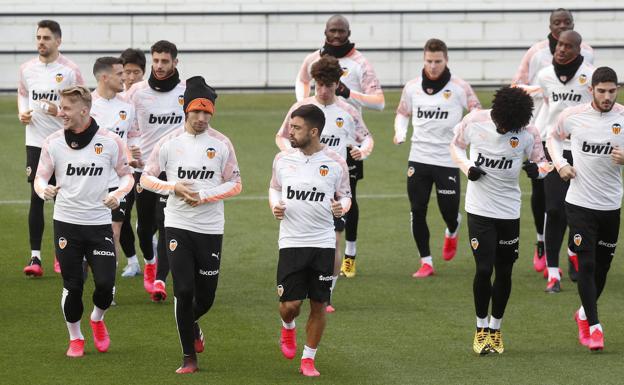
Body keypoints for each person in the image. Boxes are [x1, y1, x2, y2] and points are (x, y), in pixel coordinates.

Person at [141, 76, 242, 373]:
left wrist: (204, 195)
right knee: (183, 290)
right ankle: (188, 357)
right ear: (186, 110)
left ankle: (192, 323)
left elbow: (236, 184)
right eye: (196, 112)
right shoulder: (169, 142)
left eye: (206, 113)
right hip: (177, 225)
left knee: (205, 297)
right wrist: (174, 188)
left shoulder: (221, 144)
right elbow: (147, 178)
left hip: (210, 229)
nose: (201, 118)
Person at [33, 85, 133, 357]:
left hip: (99, 223)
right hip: (66, 224)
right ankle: (75, 338)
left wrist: (118, 194)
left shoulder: (110, 142)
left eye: (66, 108)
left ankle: (97, 319)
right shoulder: (53, 142)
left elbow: (127, 176)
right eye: (60, 107)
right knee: (73, 285)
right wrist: (45, 190)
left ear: (84, 111)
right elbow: (40, 177)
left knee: (104, 285)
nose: (61, 112)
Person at [450, 87, 548, 355]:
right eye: (502, 125)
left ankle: (496, 329)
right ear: (496, 114)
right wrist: (468, 167)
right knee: (484, 269)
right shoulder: (474, 122)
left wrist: (535, 171)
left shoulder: (529, 133)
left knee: (505, 271)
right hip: (479, 209)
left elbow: (543, 164)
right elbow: (455, 146)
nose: (505, 130)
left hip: (509, 212)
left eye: (510, 127)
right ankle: (481, 328)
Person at [277, 56, 372, 311]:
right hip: (301, 187)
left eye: (329, 84)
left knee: (335, 241)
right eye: (319, 84)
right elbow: (281, 136)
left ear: (337, 83)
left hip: (332, 189)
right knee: (300, 241)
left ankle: (326, 294)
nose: (324, 89)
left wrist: (361, 152)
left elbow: (367, 138)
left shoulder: (348, 111)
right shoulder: (302, 108)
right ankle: (298, 287)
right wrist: (290, 155)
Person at [295, 14, 384, 277]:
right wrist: (305, 104)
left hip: (348, 137)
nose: (336, 35)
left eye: (341, 31)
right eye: (332, 30)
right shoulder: (313, 59)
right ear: (325, 31)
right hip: (316, 137)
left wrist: (348, 94)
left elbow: (379, 102)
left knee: (348, 197)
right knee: (311, 192)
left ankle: (349, 255)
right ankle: (314, 251)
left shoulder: (360, 63)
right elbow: (301, 80)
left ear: (348, 33)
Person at [270, 104, 351, 376]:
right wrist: (275, 205)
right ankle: (288, 327)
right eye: (291, 126)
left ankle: (308, 359)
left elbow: (346, 195)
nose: (290, 132)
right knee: (289, 306)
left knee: (319, 305)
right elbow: (274, 188)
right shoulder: (283, 160)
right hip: (291, 242)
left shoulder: (336, 163)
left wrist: (343, 207)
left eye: (296, 128)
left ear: (313, 131)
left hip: (323, 243)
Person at [512, 8, 593, 275]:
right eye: (556, 23)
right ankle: (541, 242)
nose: (561, 26)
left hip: (574, 140)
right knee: (542, 194)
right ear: (549, 27)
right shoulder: (536, 54)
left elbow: (590, 89)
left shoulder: (587, 54)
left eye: (566, 22)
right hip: (541, 132)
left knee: (570, 199)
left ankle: (571, 250)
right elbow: (518, 84)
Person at [546, 67, 623, 351]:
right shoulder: (573, 116)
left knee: (602, 268)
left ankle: (582, 312)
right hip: (579, 204)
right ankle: (594, 326)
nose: (606, 96)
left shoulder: (622, 117)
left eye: (612, 91)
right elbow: (552, 137)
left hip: (611, 205)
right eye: (601, 91)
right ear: (591, 90)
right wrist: (561, 164)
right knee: (587, 265)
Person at [394, 38, 481, 278]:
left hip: (448, 159)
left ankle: (452, 230)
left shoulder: (459, 87)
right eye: (429, 61)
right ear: (424, 60)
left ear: (446, 60)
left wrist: (466, 133)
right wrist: (400, 132)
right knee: (417, 209)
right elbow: (402, 113)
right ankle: (426, 262)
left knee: (449, 212)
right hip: (419, 156)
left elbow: (476, 112)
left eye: (438, 61)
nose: (433, 66)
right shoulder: (412, 87)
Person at [18, 19, 84, 277]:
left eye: (46, 38)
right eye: (38, 37)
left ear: (58, 41)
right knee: (37, 196)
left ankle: (62, 253)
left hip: (63, 142)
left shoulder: (69, 70)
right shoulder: (26, 68)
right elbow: (23, 93)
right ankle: (35, 257)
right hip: (35, 142)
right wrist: (24, 112)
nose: (41, 42)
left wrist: (57, 111)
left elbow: (82, 104)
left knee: (63, 197)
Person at [127, 40, 186, 301]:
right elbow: (125, 127)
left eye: (165, 61)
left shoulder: (186, 91)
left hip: (173, 170)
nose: (160, 66)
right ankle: (149, 262)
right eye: (156, 61)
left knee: (165, 223)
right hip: (145, 170)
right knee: (144, 227)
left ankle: (160, 279)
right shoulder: (137, 92)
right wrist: (131, 151)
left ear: (175, 61)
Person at [536, 30, 594, 292]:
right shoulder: (546, 75)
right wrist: (537, 148)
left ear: (578, 50)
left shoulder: (590, 76)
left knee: (578, 211)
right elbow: (546, 111)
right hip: (554, 147)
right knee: (555, 209)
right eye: (559, 44)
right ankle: (552, 274)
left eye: (568, 46)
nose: (561, 49)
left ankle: (573, 251)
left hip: (583, 151)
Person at [90, 57, 140, 267]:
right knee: (89, 235)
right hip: (90, 179)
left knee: (114, 232)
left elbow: (133, 134)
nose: (125, 78)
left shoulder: (127, 105)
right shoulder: (87, 105)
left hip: (119, 179)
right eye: (120, 74)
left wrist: (134, 150)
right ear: (104, 77)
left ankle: (107, 288)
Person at [118, 47, 147, 278]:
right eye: (126, 72)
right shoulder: (114, 98)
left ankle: (152, 246)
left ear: (143, 73)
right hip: (124, 167)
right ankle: (132, 261)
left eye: (135, 72)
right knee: (123, 215)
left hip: (148, 164)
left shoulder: (148, 95)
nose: (129, 78)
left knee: (149, 218)